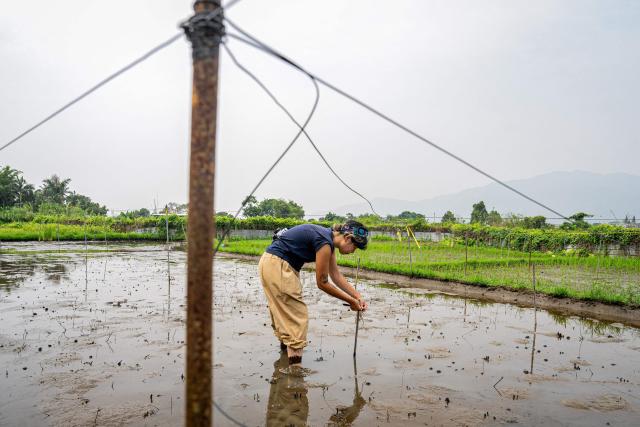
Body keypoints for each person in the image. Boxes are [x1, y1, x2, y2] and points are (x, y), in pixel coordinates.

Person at [258, 220, 369, 366]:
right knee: (296, 319)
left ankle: (285, 362)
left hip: (272, 263)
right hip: (279, 265)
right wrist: (351, 301)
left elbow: (335, 275)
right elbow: (322, 283)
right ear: (347, 238)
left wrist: (357, 296)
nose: (354, 251)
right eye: (355, 246)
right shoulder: (324, 242)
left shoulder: (326, 239)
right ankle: (295, 376)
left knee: (285, 316)